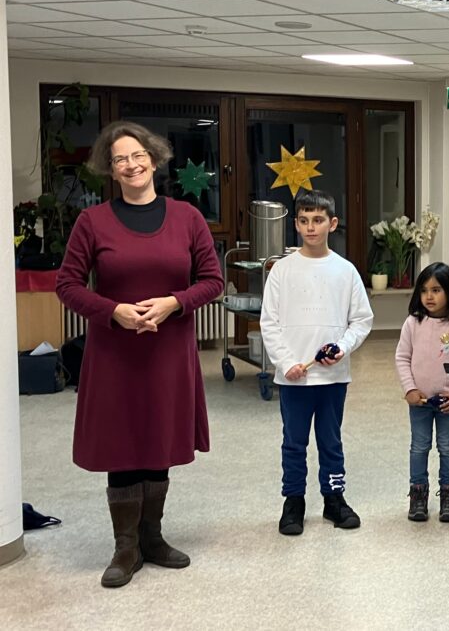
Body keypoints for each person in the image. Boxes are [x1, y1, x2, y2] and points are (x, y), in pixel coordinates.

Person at [56, 121, 224, 588]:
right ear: (109, 170)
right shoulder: (92, 223)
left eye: (136, 155)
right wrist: (114, 312)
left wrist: (175, 302)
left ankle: (152, 537)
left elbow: (212, 280)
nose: (130, 165)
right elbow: (66, 285)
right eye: (119, 160)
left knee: (159, 440)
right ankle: (125, 547)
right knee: (121, 443)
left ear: (154, 158)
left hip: (168, 351)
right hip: (115, 353)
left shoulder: (187, 217)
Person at [260, 189, 373, 536]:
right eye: (304, 221)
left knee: (331, 440)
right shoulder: (281, 270)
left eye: (318, 220)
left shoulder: (346, 270)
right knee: (293, 442)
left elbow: (361, 320)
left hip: (333, 377)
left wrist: (342, 347)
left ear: (332, 223)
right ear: (296, 224)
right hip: (294, 378)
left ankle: (334, 498)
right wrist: (286, 362)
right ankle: (293, 500)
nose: (311, 227)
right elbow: (270, 322)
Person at [395, 262, 449, 523]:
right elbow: (402, 357)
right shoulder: (413, 323)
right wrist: (409, 389)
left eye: (437, 290)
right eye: (425, 290)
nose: (429, 296)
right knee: (419, 448)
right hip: (419, 402)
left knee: (447, 447)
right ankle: (418, 495)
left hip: (448, 402)